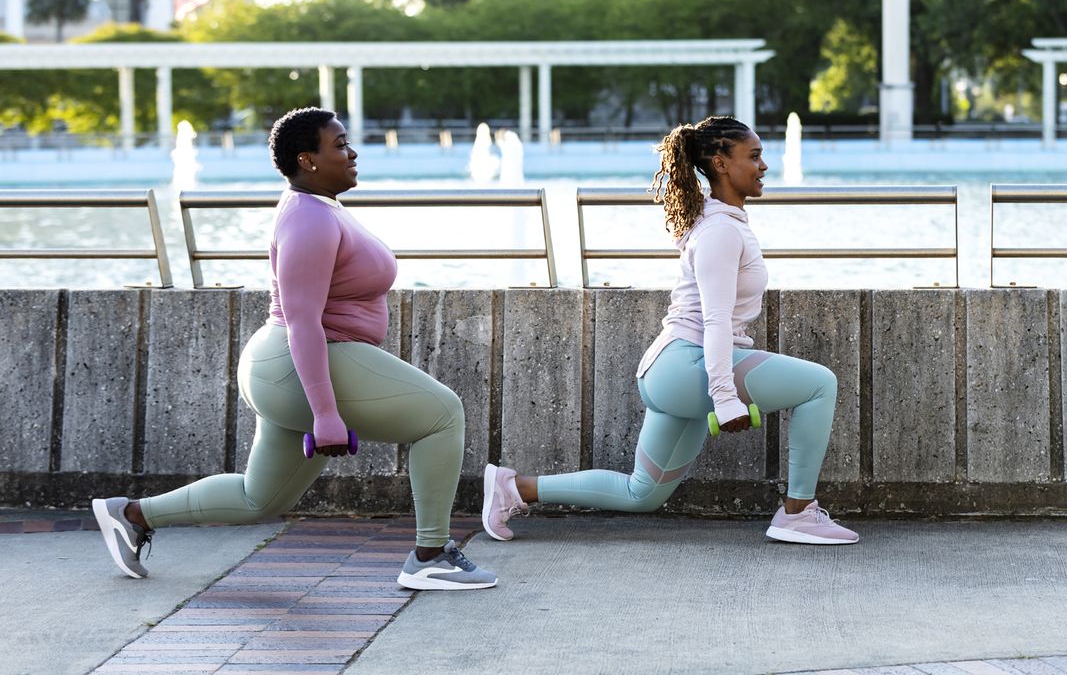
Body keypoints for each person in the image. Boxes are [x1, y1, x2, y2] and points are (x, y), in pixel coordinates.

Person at [92, 107, 496, 590]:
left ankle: (133, 515)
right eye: (340, 145)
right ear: (307, 159)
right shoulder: (309, 219)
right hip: (300, 360)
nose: (352, 152)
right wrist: (325, 413)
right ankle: (430, 555)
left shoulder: (320, 206)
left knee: (259, 499)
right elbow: (303, 319)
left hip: (289, 364)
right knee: (442, 414)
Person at [482, 115, 859, 546]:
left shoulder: (721, 223)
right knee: (819, 384)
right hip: (687, 364)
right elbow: (715, 320)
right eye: (753, 156)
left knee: (642, 493)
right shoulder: (719, 231)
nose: (763, 166)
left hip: (671, 370)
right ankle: (798, 513)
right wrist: (724, 396)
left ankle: (514, 488)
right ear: (720, 163)